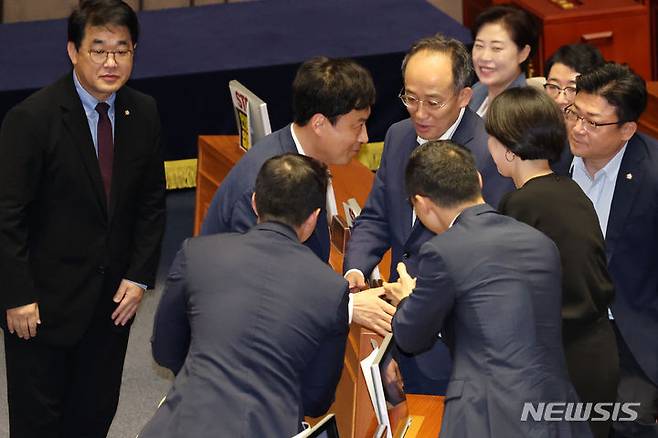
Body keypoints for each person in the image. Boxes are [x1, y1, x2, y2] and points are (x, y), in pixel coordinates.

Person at [0, 1, 166, 437]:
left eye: (122, 50)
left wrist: (139, 276)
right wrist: (16, 296)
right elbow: (8, 215)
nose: (111, 62)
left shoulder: (143, 112)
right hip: (41, 308)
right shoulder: (31, 120)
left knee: (93, 416)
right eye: (99, 50)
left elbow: (151, 204)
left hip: (112, 304)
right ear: (73, 51)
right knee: (39, 424)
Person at [343, 33, 513, 395]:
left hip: (453, 343)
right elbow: (375, 216)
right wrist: (356, 270)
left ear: (464, 97)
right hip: (396, 324)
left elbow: (487, 255)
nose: (419, 113)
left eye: (433, 102)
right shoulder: (398, 136)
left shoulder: (491, 154)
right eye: (410, 98)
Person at [385, 141, 591, 438]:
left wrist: (408, 298)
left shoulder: (442, 252)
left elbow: (411, 336)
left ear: (421, 203)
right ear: (478, 181)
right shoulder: (539, 242)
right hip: (556, 410)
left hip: (488, 416)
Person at [141, 154, 349, 438]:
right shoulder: (331, 289)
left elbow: (165, 349)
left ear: (254, 202)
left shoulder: (197, 253)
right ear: (314, 218)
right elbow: (316, 399)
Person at [200, 56, 394, 337]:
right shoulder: (265, 186)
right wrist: (349, 306)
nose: (365, 137)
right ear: (319, 124)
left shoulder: (301, 156)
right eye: (357, 125)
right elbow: (263, 290)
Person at [486, 87, 618, 438]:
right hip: (598, 355)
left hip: (560, 364)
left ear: (509, 148)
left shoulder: (519, 205)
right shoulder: (571, 189)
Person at [566, 62, 658, 438]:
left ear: (627, 130)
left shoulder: (652, 177)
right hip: (560, 328)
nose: (577, 128)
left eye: (592, 121)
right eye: (574, 113)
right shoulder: (550, 159)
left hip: (631, 337)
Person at [543, 44, 605, 175]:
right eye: (553, 86)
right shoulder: (535, 131)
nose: (560, 99)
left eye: (572, 89)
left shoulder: (600, 139)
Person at [468, 5, 538, 116]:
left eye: (496, 48)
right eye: (479, 45)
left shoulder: (523, 112)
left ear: (523, 53)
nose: (484, 57)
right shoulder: (478, 90)